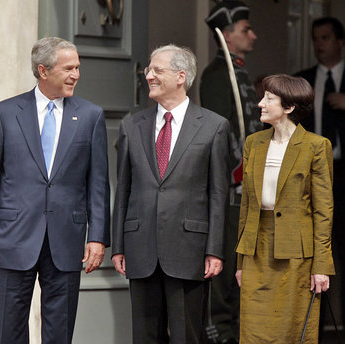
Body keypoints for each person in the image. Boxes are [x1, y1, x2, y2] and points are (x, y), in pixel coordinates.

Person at [0, 37, 110, 344]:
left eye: (78, 68)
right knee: (9, 330)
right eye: (69, 68)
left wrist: (97, 237)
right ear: (43, 70)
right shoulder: (5, 113)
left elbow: (98, 184)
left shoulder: (90, 116)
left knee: (59, 333)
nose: (76, 75)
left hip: (66, 240)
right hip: (14, 238)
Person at [112, 44, 230, 344]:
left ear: (181, 76)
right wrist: (118, 245)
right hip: (140, 248)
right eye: (148, 70)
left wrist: (214, 249)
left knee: (186, 336)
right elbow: (123, 188)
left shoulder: (214, 127)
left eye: (157, 70)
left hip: (189, 249)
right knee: (144, 337)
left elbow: (218, 194)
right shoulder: (131, 126)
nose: (148, 75)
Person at [235, 74, 335, 343]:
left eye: (268, 98)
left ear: (289, 107)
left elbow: (323, 211)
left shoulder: (316, 146)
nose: (260, 104)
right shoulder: (253, 143)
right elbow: (247, 206)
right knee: (253, 332)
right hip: (256, 251)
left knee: (291, 331)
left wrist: (321, 266)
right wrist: (240, 261)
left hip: (296, 257)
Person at [199, 2, 263, 343]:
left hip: (248, 192)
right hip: (230, 189)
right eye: (244, 30)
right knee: (224, 267)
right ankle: (219, 332)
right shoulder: (216, 76)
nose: (252, 35)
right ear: (226, 35)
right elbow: (222, 137)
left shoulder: (238, 72)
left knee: (244, 267)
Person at [295, 17, 345, 325]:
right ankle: (316, 320)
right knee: (314, 245)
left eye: (325, 37)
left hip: (344, 171)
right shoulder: (303, 79)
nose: (319, 44)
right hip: (312, 173)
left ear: (339, 41)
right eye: (315, 38)